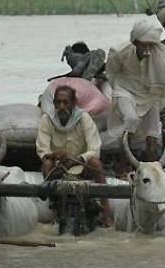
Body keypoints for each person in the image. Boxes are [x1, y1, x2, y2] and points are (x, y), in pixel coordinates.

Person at [105, 19, 165, 161]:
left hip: (150, 94)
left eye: (151, 46)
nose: (148, 50)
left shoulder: (161, 55)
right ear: (135, 43)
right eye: (144, 45)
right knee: (131, 119)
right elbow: (111, 73)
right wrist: (117, 91)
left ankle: (152, 167)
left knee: (153, 134)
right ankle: (125, 165)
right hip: (125, 90)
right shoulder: (119, 51)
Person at [36, 85, 112, 227]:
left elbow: (94, 148)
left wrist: (77, 160)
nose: (61, 106)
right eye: (58, 103)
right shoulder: (47, 120)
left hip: (81, 165)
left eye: (65, 103)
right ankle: (54, 207)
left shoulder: (83, 118)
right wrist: (53, 156)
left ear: (73, 104)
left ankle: (106, 214)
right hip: (57, 167)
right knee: (46, 164)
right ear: (54, 104)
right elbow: (42, 150)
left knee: (96, 163)